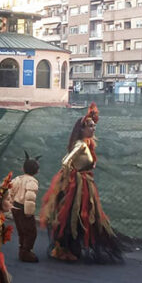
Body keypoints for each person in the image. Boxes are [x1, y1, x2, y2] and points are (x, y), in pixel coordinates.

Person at [40, 103, 123, 263]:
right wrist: (70, 178)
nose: (93, 129)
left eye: (94, 126)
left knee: (81, 215)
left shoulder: (87, 144)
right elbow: (65, 161)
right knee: (74, 214)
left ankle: (70, 247)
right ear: (82, 129)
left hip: (84, 183)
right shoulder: (81, 144)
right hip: (77, 185)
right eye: (90, 126)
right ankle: (66, 248)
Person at [10, 152, 41, 263]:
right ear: (37, 171)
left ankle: (21, 249)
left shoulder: (17, 179)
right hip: (24, 209)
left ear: (23, 168)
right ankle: (26, 252)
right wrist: (29, 213)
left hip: (15, 208)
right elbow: (29, 197)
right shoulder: (32, 181)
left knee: (21, 230)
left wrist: (10, 204)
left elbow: (10, 191)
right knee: (31, 232)